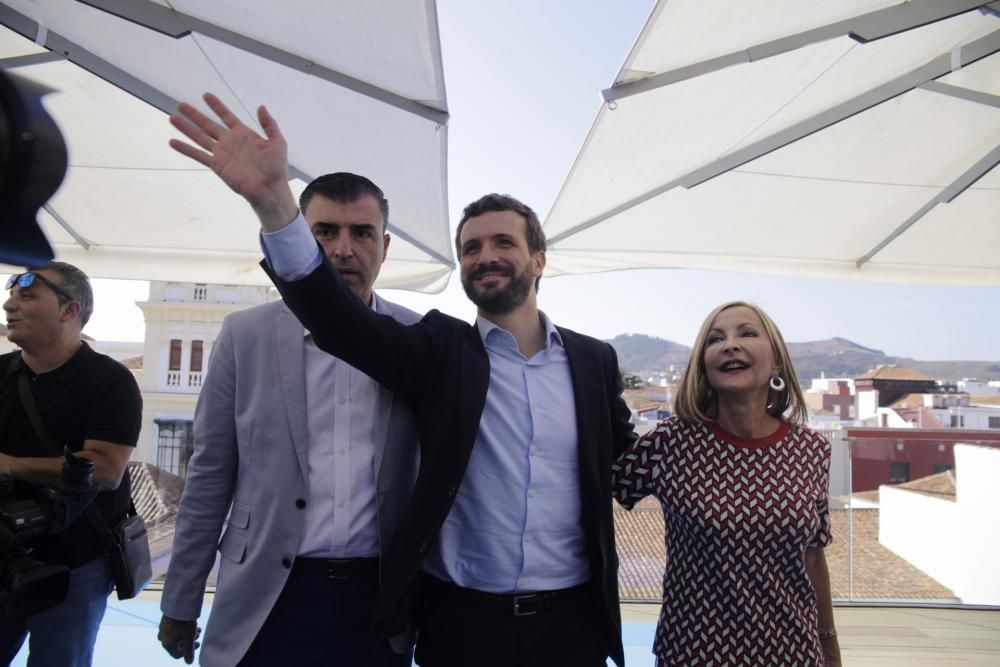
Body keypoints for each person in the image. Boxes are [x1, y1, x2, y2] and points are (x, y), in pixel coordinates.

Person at [167, 93, 636, 667]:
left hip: (557, 626)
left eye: (504, 243)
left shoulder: (593, 362)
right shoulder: (439, 349)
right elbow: (338, 323)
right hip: (442, 621)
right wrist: (274, 206)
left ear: (539, 259)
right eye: (470, 248)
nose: (485, 256)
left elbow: (631, 462)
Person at [157, 172, 423, 666]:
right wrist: (181, 599)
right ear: (301, 237)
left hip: (380, 605)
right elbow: (211, 475)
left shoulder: (415, 336)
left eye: (362, 233)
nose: (344, 249)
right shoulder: (244, 336)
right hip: (265, 597)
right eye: (325, 232)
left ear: (384, 246)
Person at [613, 301, 843, 667]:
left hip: (794, 653)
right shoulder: (671, 442)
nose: (729, 345)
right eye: (714, 339)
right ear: (704, 363)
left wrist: (829, 648)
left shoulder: (811, 449)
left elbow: (813, 555)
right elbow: (589, 490)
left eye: (747, 333)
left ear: (777, 361)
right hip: (692, 655)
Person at [0, 262, 142, 667]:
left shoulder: (109, 381)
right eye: (11, 296)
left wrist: (10, 465)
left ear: (69, 311)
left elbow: (107, 469)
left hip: (75, 562)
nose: (10, 305)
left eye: (27, 296)